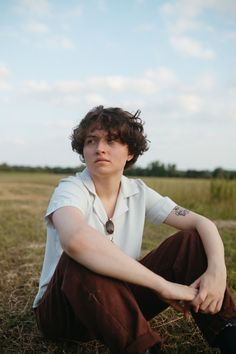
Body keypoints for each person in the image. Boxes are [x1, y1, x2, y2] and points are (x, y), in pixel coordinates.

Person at [33, 106, 236, 354]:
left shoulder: (138, 191)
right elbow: (75, 240)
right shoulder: (71, 189)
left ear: (130, 152)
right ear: (83, 149)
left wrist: (218, 269)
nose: (100, 148)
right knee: (80, 257)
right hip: (64, 312)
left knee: (190, 242)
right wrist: (162, 285)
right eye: (91, 141)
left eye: (112, 140)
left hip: (115, 302)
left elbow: (202, 223)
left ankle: (230, 333)